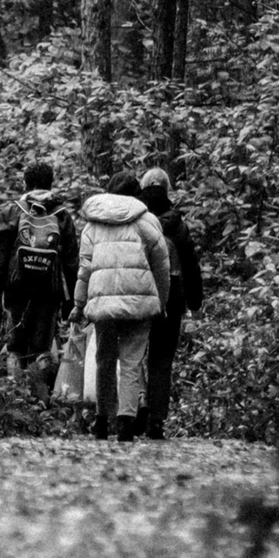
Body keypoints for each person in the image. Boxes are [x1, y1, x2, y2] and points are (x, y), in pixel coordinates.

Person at [74, 174, 169, 441]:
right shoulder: (147, 221)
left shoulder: (92, 225)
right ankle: (126, 422)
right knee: (131, 361)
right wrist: (161, 301)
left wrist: (78, 304)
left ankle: (102, 421)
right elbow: (162, 266)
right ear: (136, 194)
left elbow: (84, 269)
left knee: (104, 359)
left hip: (102, 300)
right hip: (139, 301)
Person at [0, 161, 77, 390]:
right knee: (42, 348)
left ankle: (18, 397)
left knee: (15, 347)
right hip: (49, 291)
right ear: (50, 184)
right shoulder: (62, 215)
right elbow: (71, 263)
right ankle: (40, 397)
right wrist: (72, 302)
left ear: (25, 183)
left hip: (16, 289)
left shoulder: (11, 211)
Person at [136, 167, 202, 439]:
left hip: (139, 291)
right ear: (168, 190)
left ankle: (136, 406)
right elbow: (190, 264)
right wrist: (195, 301)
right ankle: (156, 419)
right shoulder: (178, 224)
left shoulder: (135, 220)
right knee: (162, 358)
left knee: (132, 353)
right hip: (172, 296)